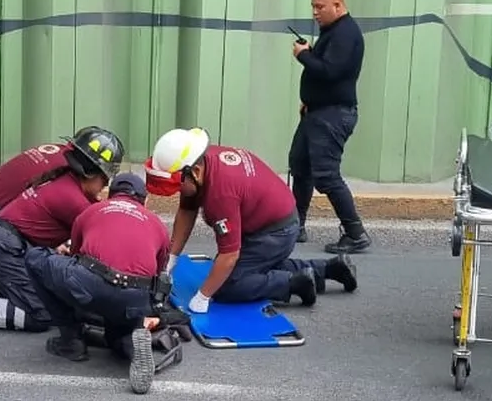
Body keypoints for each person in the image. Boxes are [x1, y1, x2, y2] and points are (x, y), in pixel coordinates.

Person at [143, 127, 357, 311]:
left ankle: (294, 284)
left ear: (195, 172)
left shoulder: (220, 194)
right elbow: (187, 209)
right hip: (272, 220)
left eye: (177, 185)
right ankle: (331, 268)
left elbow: (229, 256)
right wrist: (171, 258)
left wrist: (203, 297)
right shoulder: (203, 161)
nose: (177, 192)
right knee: (253, 267)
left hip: (276, 231)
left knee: (228, 285)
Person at [0, 126, 125, 333]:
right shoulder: (74, 200)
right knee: (42, 314)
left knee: (43, 287)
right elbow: (101, 240)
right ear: (91, 173)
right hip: (5, 248)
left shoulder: (64, 179)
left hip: (2, 243)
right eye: (105, 179)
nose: (105, 186)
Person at [25, 172, 174, 394]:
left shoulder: (91, 211)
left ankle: (70, 341)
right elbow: (159, 272)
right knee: (117, 335)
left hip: (93, 284)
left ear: (110, 195)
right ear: (144, 200)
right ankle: (134, 349)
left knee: (36, 258)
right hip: (135, 299)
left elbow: (75, 256)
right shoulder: (158, 225)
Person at [289, 0, 369, 254]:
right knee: (300, 167)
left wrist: (303, 55)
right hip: (318, 112)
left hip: (333, 116)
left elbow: (330, 71)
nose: (315, 12)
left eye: (320, 6)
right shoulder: (333, 30)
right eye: (313, 6)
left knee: (326, 176)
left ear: (337, 4)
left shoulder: (346, 33)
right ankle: (294, 226)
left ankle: (355, 232)